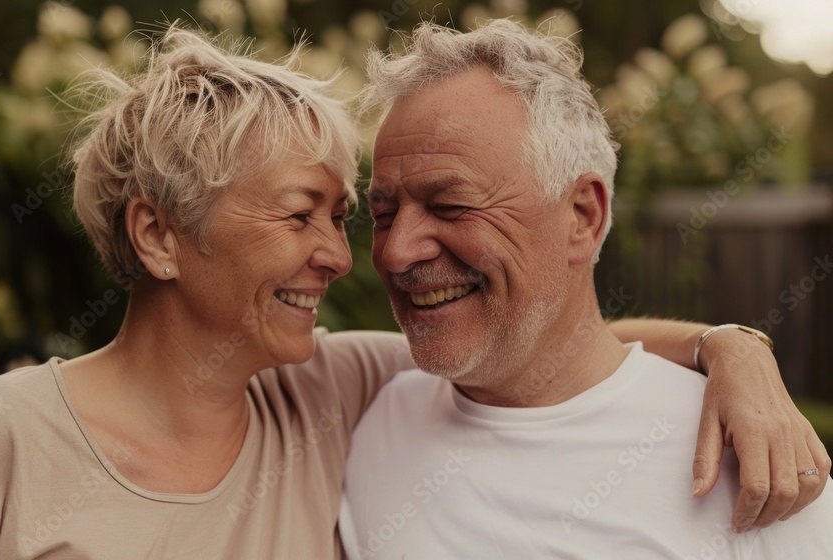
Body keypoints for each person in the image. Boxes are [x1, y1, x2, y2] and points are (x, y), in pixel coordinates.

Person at [0, 25, 825, 560]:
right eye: (307, 213)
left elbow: (549, 343)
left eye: (337, 215)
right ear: (158, 233)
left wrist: (734, 344)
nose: (358, 256)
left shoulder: (333, 392)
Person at [339, 19, 833, 559]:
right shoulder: (360, 408)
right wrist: (729, 343)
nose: (396, 251)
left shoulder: (755, 471)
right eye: (383, 213)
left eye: (450, 206)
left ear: (582, 215)